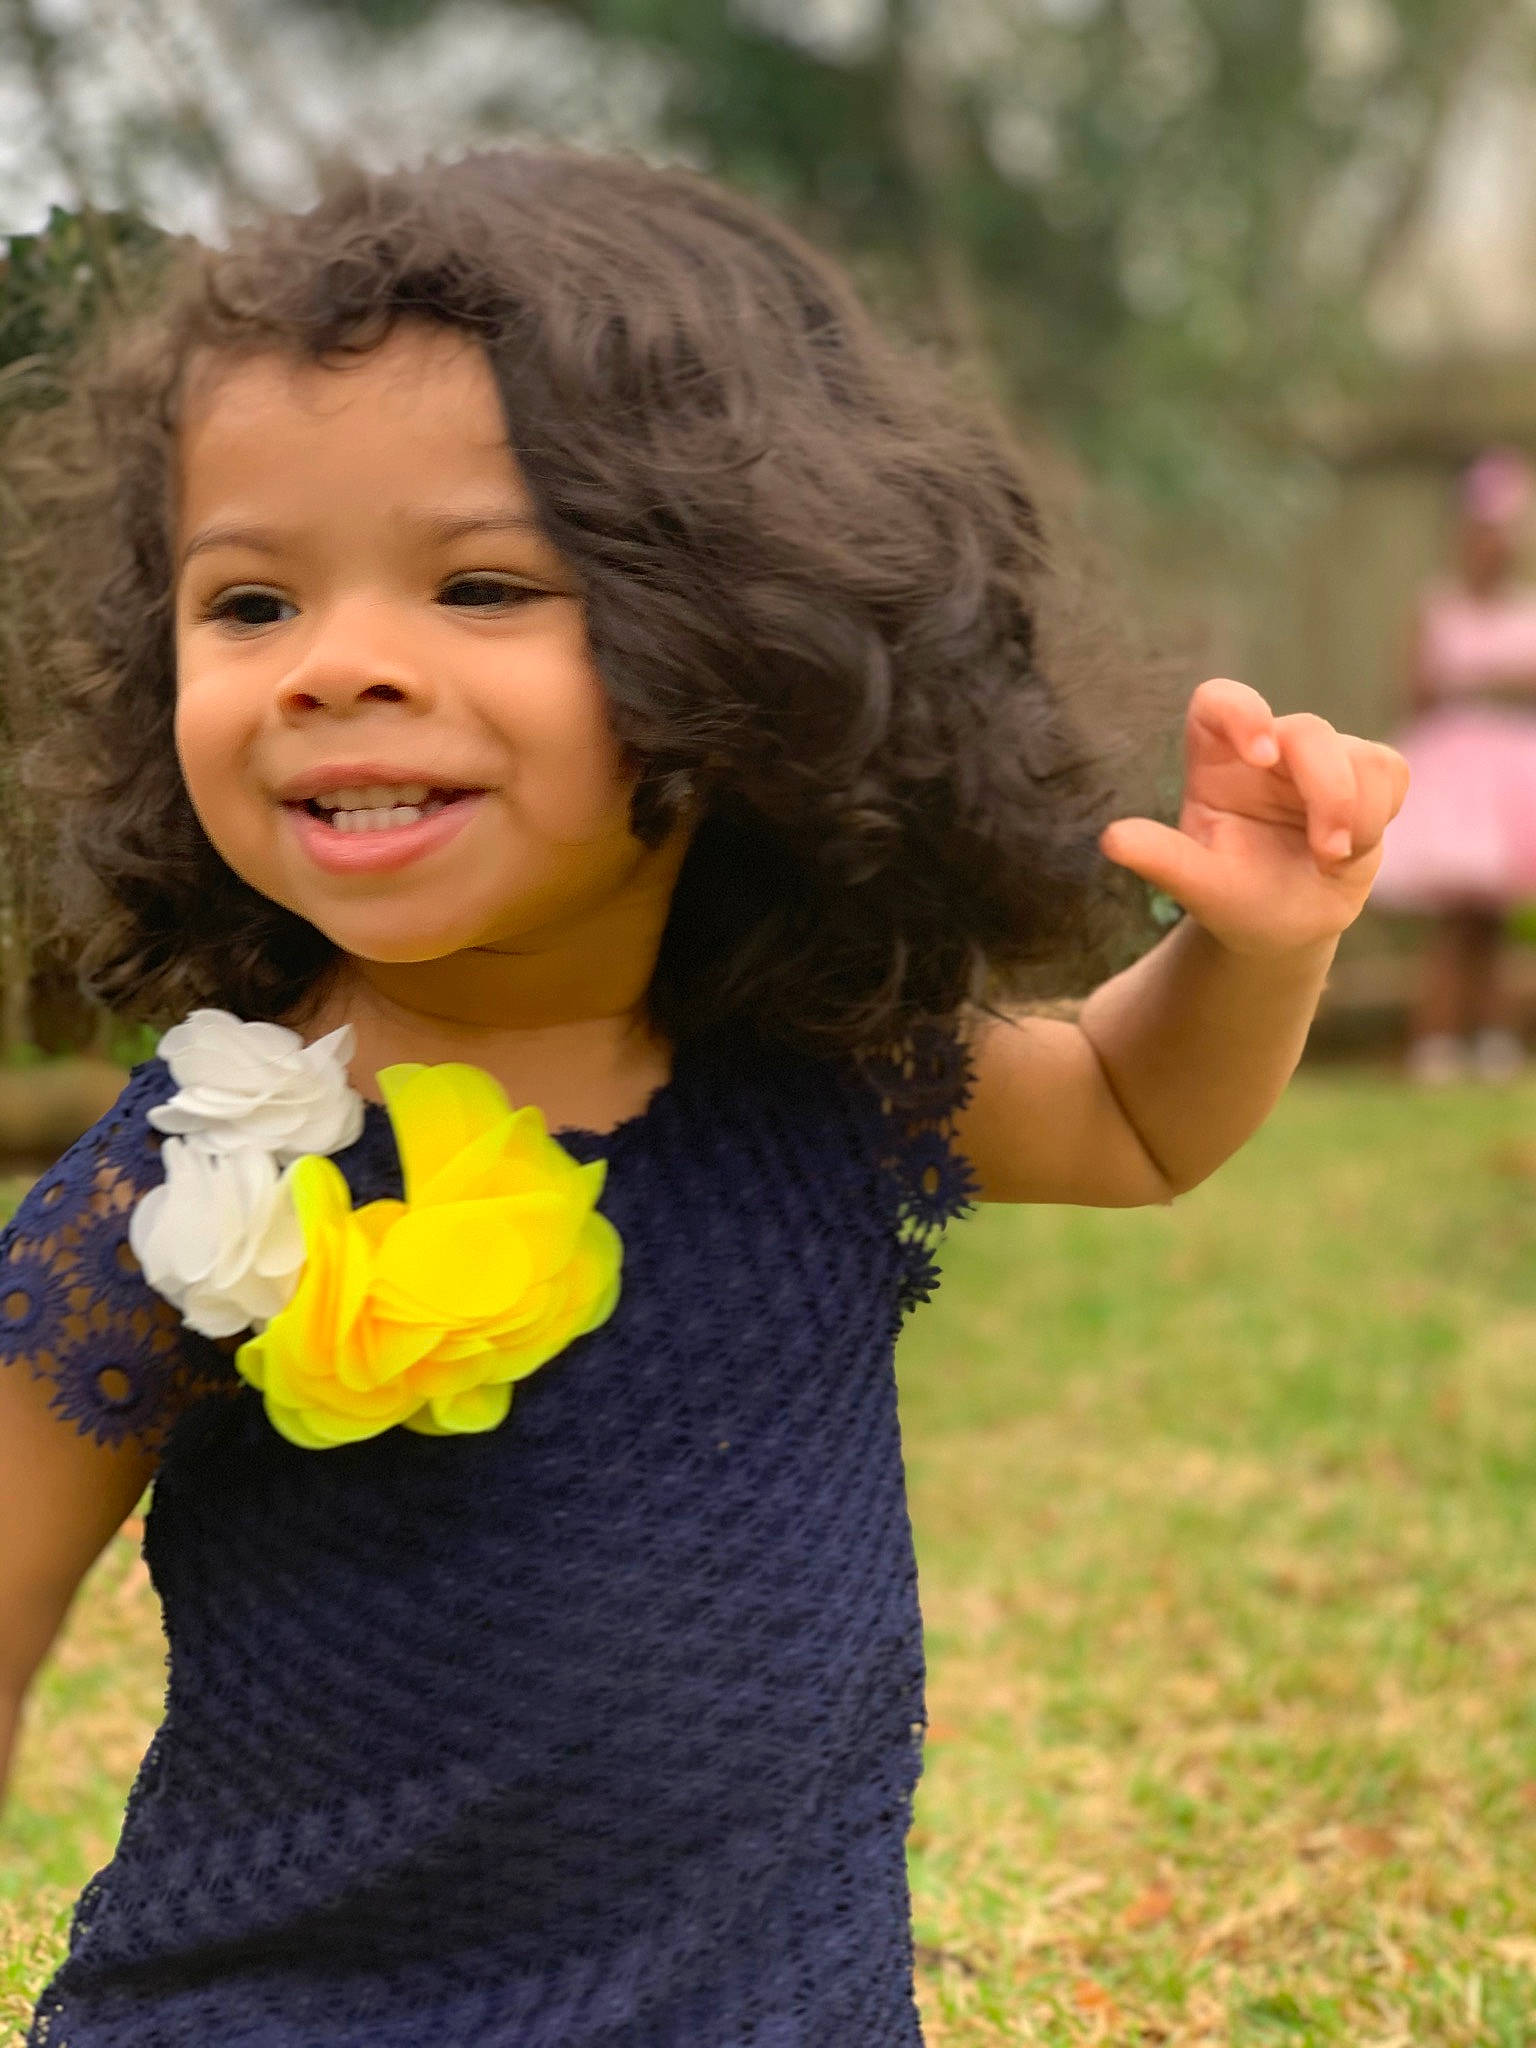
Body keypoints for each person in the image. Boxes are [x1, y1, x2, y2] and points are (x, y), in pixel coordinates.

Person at [0, 151, 1404, 2048]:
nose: (335, 669)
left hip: (760, 2003)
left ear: (742, 627)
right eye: (247, 604)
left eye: (482, 582)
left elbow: (1135, 1123)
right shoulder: (187, 1179)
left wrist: (1256, 945)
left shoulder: (815, 1072)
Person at [1373, 448, 1536, 1083]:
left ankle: (1495, 1038)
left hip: (1514, 780)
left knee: (1495, 921)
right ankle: (1435, 1041)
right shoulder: (1437, 604)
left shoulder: (1527, 609)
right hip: (1455, 776)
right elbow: (1415, 687)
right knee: (1453, 921)